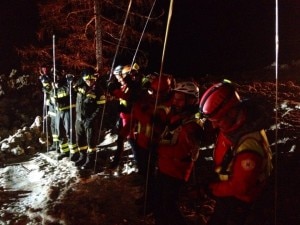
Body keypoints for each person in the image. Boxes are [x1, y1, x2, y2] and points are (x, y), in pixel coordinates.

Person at [198, 80, 273, 225]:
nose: (214, 124)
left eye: (217, 120)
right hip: (229, 194)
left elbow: (241, 187)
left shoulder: (248, 147)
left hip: (241, 202)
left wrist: (211, 189)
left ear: (232, 112)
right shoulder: (236, 127)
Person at [153, 81, 204, 225]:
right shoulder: (179, 116)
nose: (176, 103)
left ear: (192, 100)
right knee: (158, 202)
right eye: (175, 99)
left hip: (175, 171)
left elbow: (187, 146)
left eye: (180, 99)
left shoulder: (193, 123)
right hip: (165, 166)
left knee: (169, 207)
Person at [107, 63, 141, 169]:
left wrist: (116, 92)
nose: (117, 79)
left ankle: (139, 162)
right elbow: (123, 99)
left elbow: (129, 98)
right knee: (122, 139)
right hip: (124, 116)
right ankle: (117, 161)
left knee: (130, 139)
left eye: (118, 76)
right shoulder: (124, 85)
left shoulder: (133, 85)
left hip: (130, 117)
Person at [73, 67, 106, 171]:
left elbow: (100, 108)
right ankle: (82, 156)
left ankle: (90, 160)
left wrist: (91, 119)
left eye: (92, 80)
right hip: (79, 118)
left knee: (91, 141)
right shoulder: (80, 87)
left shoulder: (98, 90)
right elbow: (72, 90)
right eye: (87, 80)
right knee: (80, 139)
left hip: (91, 120)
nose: (89, 82)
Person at [52, 71, 78, 161]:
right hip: (59, 112)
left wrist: (70, 83)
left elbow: (71, 95)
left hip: (68, 111)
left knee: (70, 132)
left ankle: (74, 152)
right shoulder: (55, 89)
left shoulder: (67, 86)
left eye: (58, 77)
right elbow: (53, 100)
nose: (56, 79)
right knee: (60, 132)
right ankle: (64, 151)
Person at [39, 72, 59, 152]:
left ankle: (59, 145)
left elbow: (53, 99)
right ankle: (55, 143)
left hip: (56, 112)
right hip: (51, 112)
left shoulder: (53, 89)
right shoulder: (47, 89)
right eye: (43, 84)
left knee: (57, 129)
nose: (45, 85)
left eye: (46, 83)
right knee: (53, 128)